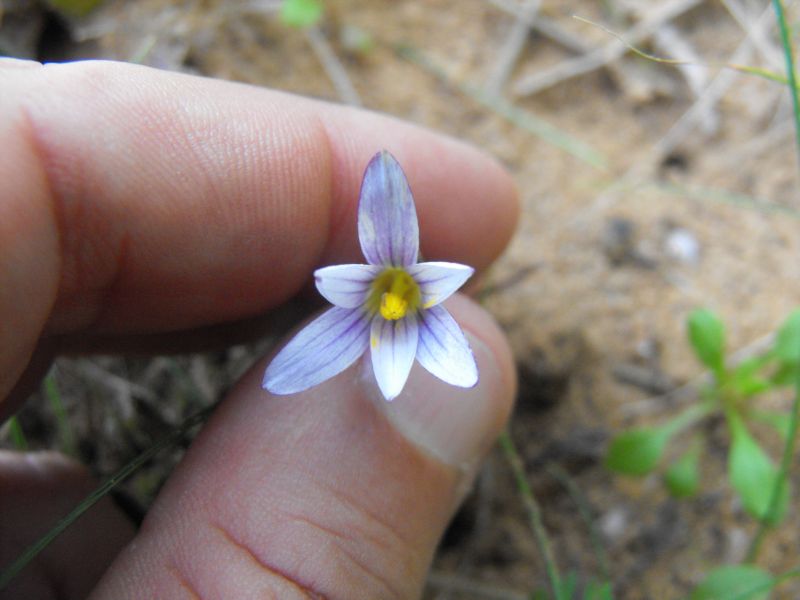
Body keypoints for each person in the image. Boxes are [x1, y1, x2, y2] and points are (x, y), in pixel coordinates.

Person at [0, 58, 518, 599]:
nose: (395, 300)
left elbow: (455, 368)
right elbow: (302, 367)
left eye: (401, 291)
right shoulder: (377, 287)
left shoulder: (414, 296)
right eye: (393, 291)